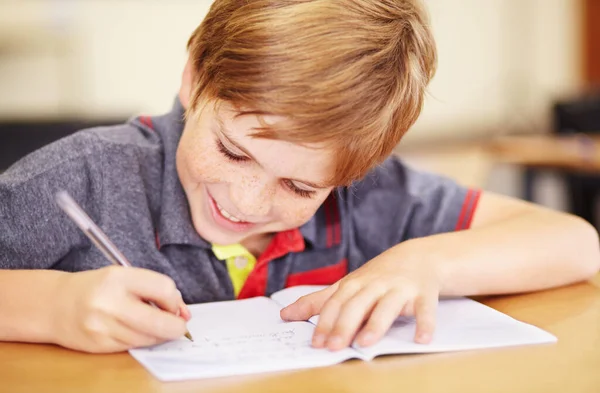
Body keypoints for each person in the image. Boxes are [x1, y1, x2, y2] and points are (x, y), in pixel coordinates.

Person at [0, 0, 598, 354]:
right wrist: (52, 306)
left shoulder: (372, 198)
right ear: (194, 79)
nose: (247, 201)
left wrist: (426, 262)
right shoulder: (83, 177)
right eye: (234, 152)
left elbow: (576, 242)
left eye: (301, 188)